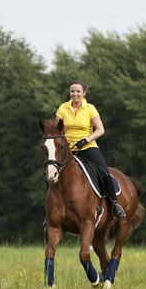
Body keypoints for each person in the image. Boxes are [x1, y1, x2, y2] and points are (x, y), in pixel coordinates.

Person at [56, 80, 126, 219]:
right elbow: (57, 129)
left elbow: (100, 129)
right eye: (72, 91)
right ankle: (50, 211)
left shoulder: (90, 108)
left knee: (103, 172)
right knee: (52, 174)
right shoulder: (63, 108)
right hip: (68, 150)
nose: (74, 94)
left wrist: (86, 140)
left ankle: (115, 204)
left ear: (84, 93)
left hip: (87, 148)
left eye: (78, 91)